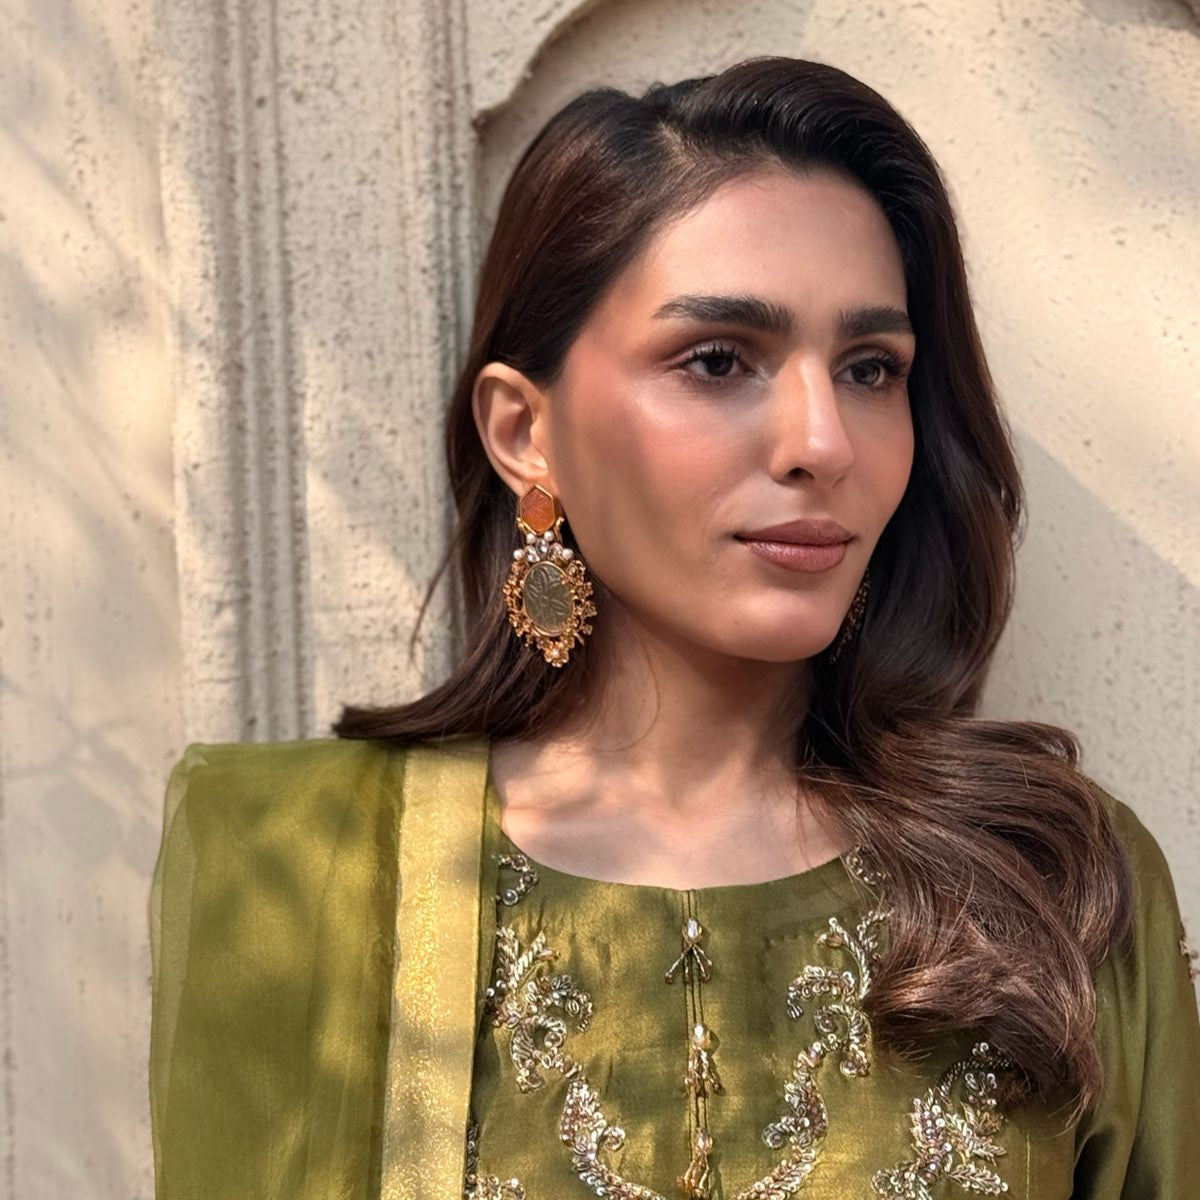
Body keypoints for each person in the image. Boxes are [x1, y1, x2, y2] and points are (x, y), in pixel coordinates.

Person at [148, 56, 1200, 1199]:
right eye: (717, 360)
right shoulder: (294, 862)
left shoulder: (1056, 889)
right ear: (523, 432)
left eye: (869, 368)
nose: (822, 441)